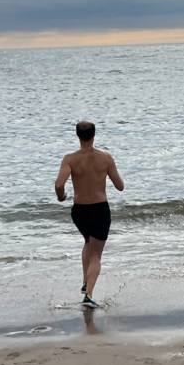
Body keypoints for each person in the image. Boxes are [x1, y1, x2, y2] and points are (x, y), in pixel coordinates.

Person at [55, 119, 125, 309]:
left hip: (79, 211)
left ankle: (86, 280)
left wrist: (62, 197)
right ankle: (88, 295)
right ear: (94, 135)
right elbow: (120, 186)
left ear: (78, 135)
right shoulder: (106, 158)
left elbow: (59, 184)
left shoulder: (69, 159)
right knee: (96, 255)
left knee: (88, 241)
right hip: (100, 209)